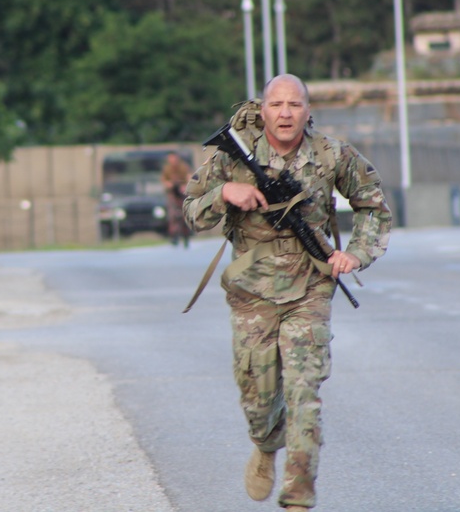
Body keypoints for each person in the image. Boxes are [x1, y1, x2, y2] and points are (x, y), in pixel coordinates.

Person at [183, 74, 391, 510]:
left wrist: (354, 255)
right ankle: (264, 445)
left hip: (310, 290)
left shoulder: (332, 155)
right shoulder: (233, 154)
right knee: (258, 398)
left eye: (294, 105)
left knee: (304, 396)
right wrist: (225, 192)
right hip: (251, 290)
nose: (284, 113)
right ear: (262, 110)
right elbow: (192, 212)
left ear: (307, 111)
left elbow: (373, 205)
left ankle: (298, 499)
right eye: (276, 105)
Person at [160, 152, 192, 247]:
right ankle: (173, 235)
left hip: (182, 193)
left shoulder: (183, 167)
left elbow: (189, 177)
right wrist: (168, 184)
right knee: (172, 215)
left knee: (184, 215)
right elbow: (163, 180)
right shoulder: (167, 169)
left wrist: (185, 186)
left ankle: (186, 235)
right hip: (172, 193)